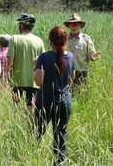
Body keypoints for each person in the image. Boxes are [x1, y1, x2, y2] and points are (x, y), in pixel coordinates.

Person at [33, 26, 75, 165]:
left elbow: (38, 82)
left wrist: (36, 65)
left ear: (50, 40)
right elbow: (71, 78)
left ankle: (32, 157)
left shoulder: (44, 57)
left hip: (46, 101)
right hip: (64, 102)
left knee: (37, 134)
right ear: (65, 40)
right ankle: (59, 162)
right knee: (60, 136)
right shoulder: (70, 56)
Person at [7, 13, 45, 125]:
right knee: (31, 108)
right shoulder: (39, 41)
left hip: (17, 80)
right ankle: (31, 130)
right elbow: (42, 62)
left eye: (20, 23)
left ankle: (15, 127)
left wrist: (10, 77)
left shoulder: (14, 39)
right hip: (33, 81)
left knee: (15, 107)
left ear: (23, 25)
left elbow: (10, 62)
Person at [64, 13, 100, 95]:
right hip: (68, 71)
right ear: (69, 26)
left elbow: (91, 55)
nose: (74, 26)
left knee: (83, 95)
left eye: (76, 24)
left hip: (81, 71)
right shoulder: (64, 39)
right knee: (68, 94)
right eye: (72, 24)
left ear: (80, 26)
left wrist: (92, 58)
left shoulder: (86, 39)